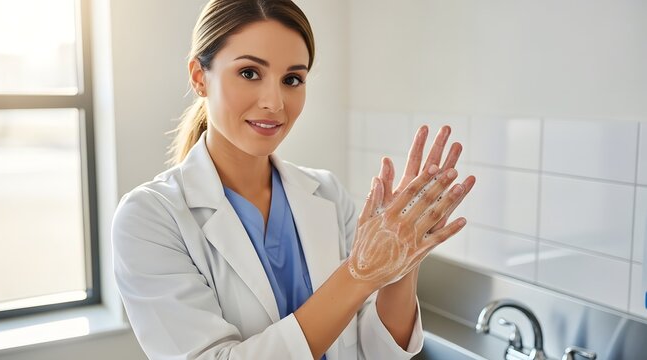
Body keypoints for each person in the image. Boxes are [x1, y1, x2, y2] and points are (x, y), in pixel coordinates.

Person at [112, 1, 476, 359]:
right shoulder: (149, 218)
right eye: (249, 73)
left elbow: (376, 351)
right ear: (198, 77)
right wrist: (358, 275)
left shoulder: (328, 194)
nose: (275, 102)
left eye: (292, 79)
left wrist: (403, 262)